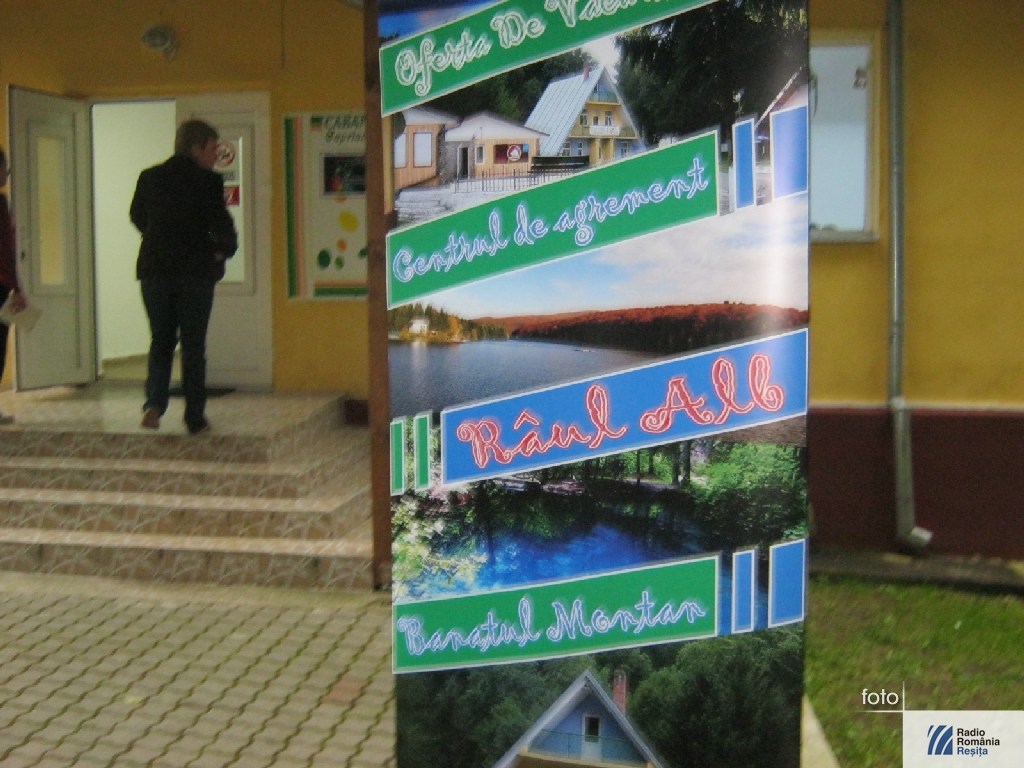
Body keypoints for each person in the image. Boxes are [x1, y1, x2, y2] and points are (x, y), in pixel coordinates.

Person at [130, 120, 237, 434]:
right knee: (193, 345)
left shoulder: (149, 177)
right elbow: (221, 224)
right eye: (212, 149)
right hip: (194, 272)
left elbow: (137, 216)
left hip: (154, 270)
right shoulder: (208, 182)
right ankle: (194, 416)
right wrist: (222, 250)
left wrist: (159, 238)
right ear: (195, 149)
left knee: (161, 340)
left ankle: (153, 404)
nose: (215, 156)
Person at [0, 148, 27, 425]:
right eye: (4, 166)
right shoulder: (0, 203)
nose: (7, 172)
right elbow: (5, 251)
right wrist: (17, 289)